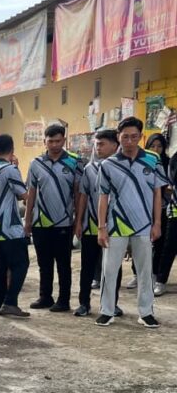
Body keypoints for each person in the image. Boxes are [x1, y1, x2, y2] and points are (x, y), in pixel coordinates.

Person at [96, 116, 167, 328]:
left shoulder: (153, 159)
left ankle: (146, 312)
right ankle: (107, 311)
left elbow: (157, 193)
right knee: (109, 270)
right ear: (118, 137)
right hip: (116, 224)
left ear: (140, 136)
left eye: (134, 137)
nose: (129, 141)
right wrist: (101, 227)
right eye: (125, 137)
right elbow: (103, 197)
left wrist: (157, 223)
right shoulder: (108, 165)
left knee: (145, 270)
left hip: (144, 225)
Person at [24, 123, 82, 312]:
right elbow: (31, 193)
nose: (55, 145)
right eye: (51, 141)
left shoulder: (74, 162)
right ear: (45, 142)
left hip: (64, 222)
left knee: (64, 264)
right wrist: (28, 220)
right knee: (44, 263)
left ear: (64, 140)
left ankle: (64, 300)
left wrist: (78, 220)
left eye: (58, 141)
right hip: (40, 222)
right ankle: (45, 297)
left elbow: (78, 194)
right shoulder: (36, 163)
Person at [74, 129, 123, 318]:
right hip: (91, 226)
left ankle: (111, 304)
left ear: (114, 145)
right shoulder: (90, 169)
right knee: (87, 267)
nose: (98, 148)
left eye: (102, 144)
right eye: (96, 144)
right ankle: (84, 303)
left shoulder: (122, 168)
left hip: (115, 227)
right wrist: (79, 222)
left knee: (113, 268)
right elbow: (83, 196)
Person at [0, 134, 30, 318]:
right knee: (21, 264)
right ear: (12, 150)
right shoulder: (10, 170)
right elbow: (23, 195)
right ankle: (10, 302)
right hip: (9, 228)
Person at [145, 134, 170, 283]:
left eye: (159, 146)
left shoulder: (168, 163)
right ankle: (137, 273)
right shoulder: (142, 161)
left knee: (159, 242)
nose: (156, 149)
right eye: (152, 146)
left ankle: (155, 272)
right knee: (142, 242)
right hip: (144, 208)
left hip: (162, 208)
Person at [154, 147, 177, 295]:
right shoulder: (175, 159)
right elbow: (171, 183)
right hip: (175, 212)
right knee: (169, 248)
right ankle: (160, 281)